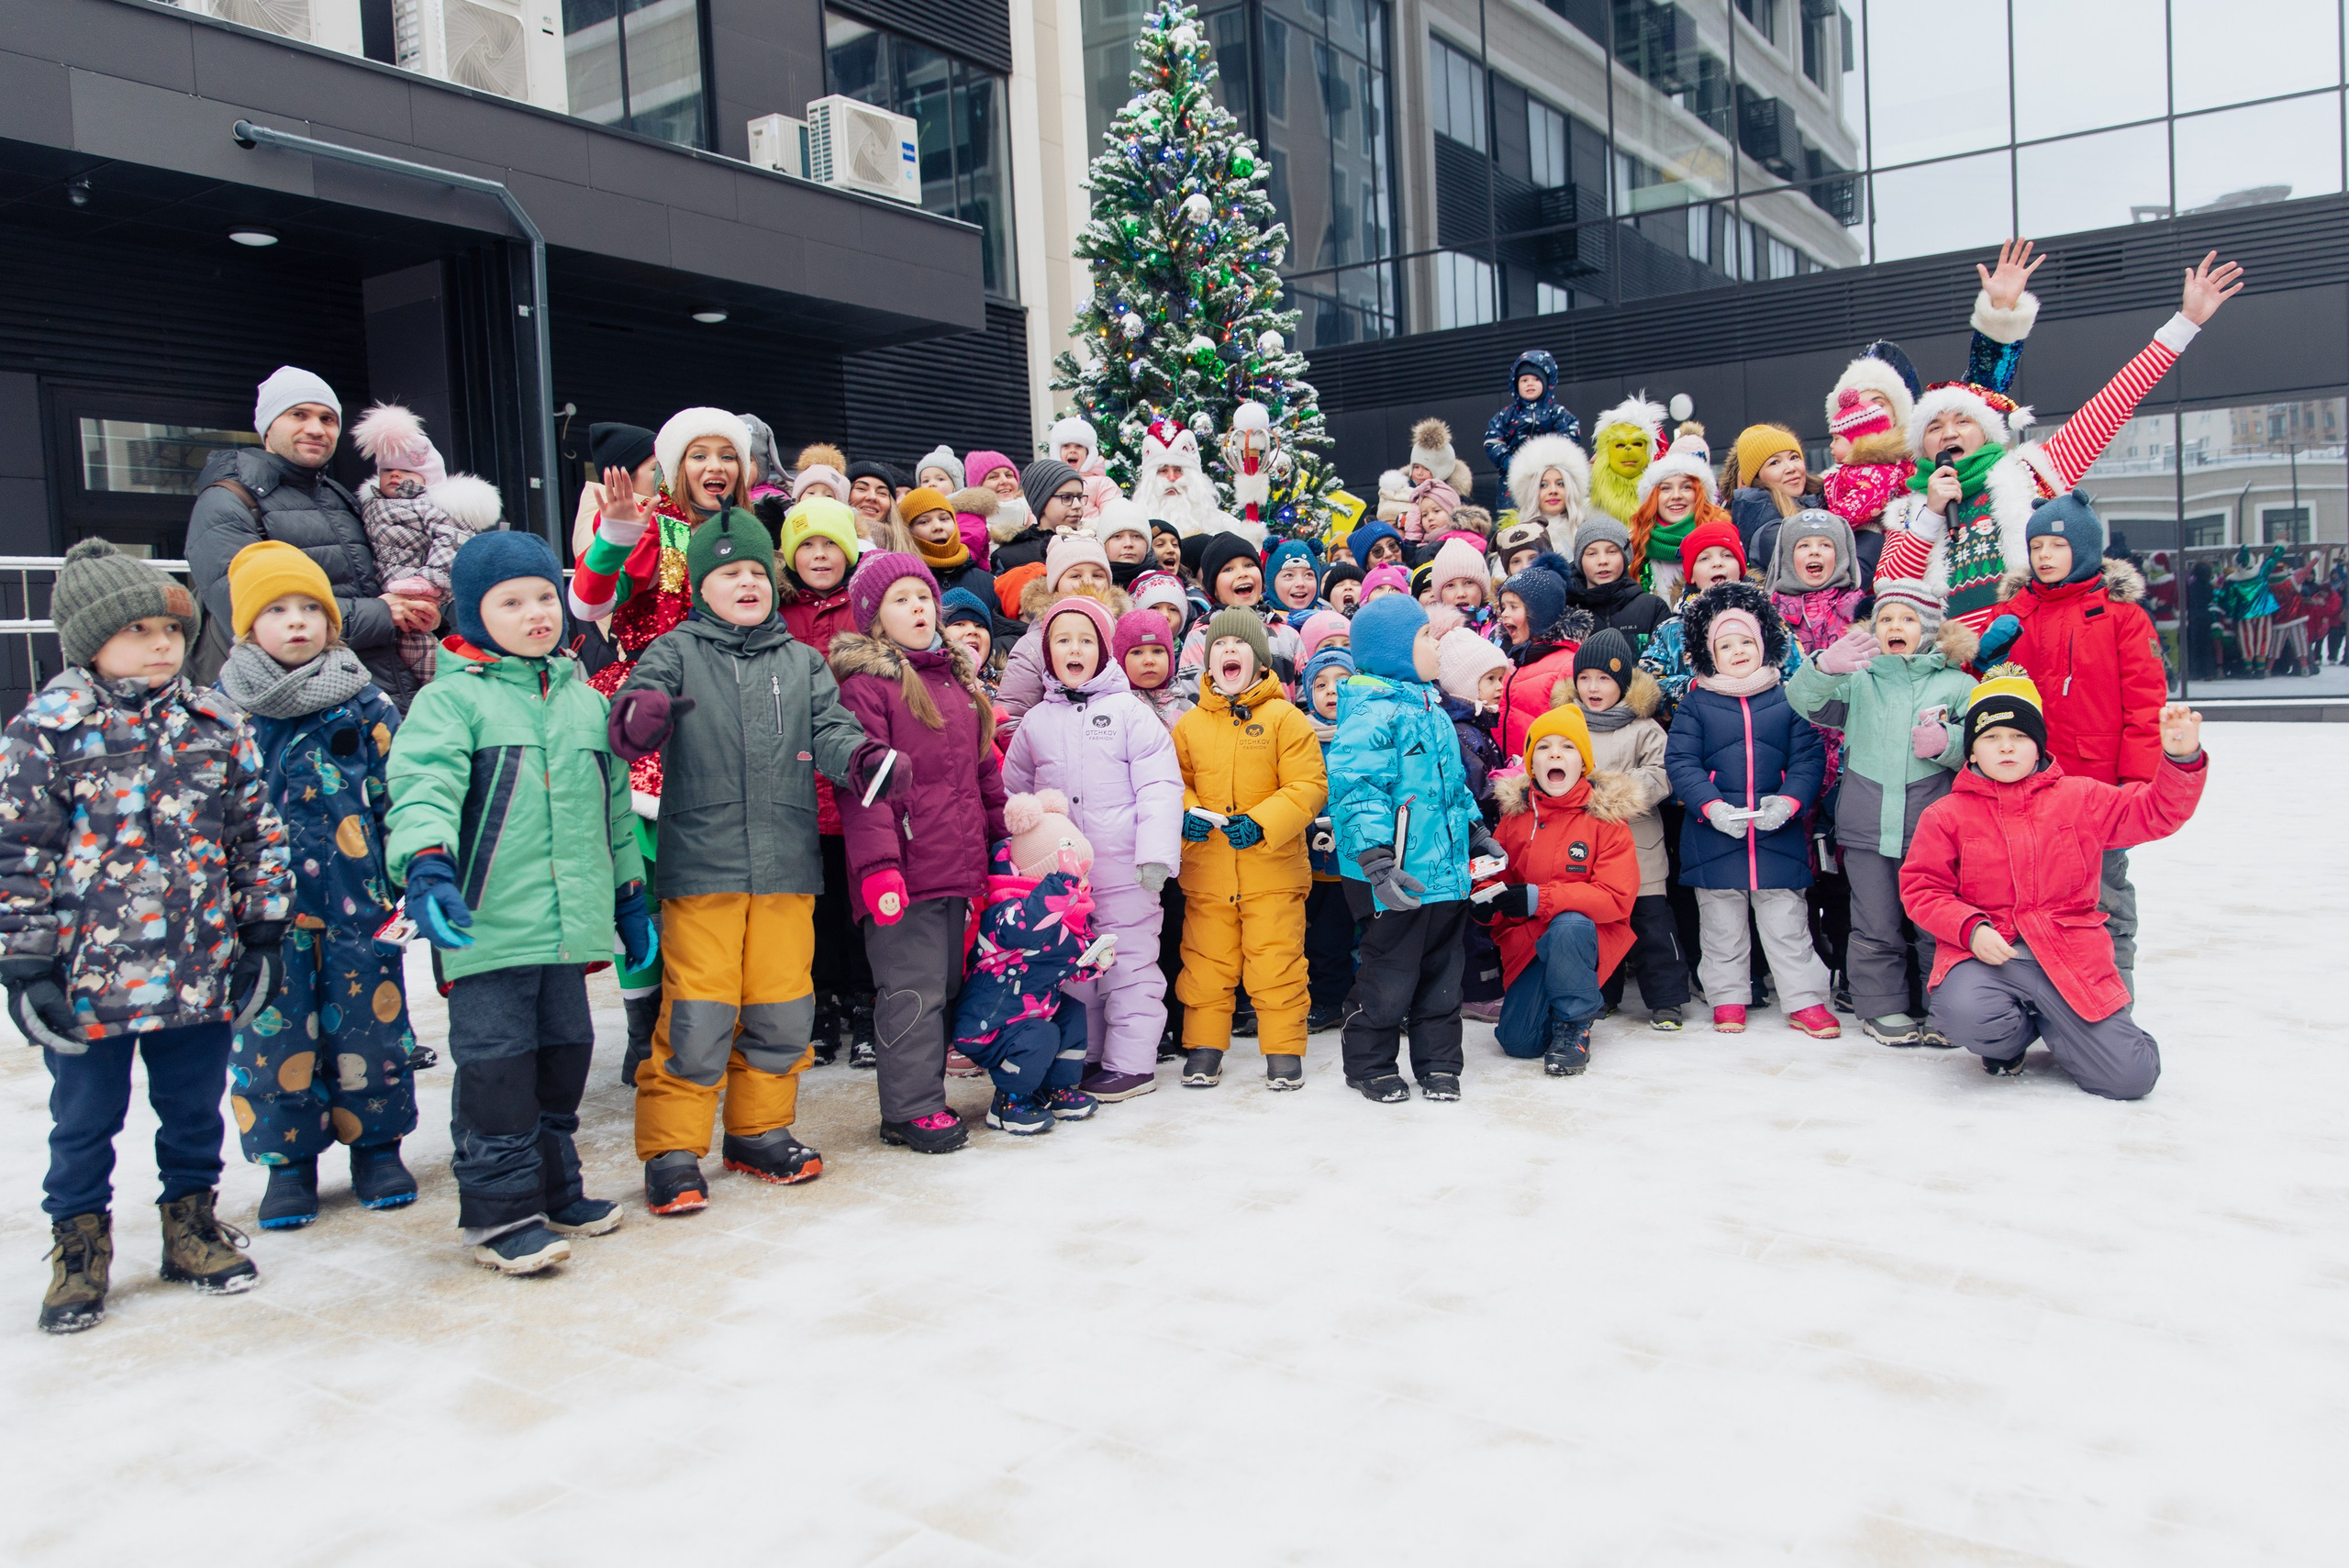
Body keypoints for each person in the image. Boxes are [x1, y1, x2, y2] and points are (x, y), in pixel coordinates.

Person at [6, 540, 294, 1332]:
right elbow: (18, 849)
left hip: (199, 963)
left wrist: (262, 926)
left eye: (169, 628)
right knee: (85, 1117)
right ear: (88, 641)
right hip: (90, 976)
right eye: (136, 630)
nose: (161, 644)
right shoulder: (48, 730)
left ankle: (192, 1225)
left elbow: (254, 830)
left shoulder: (212, 719)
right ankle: (78, 1246)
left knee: (194, 1106)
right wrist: (25, 962)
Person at [605, 507, 886, 1214]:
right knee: (698, 1010)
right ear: (703, 585)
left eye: (757, 571)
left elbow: (831, 727)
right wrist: (639, 716)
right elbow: (636, 702)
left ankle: (759, 1128)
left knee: (783, 1004)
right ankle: (672, 1146)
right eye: (729, 572)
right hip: (704, 862)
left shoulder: (800, 660)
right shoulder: (675, 649)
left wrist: (862, 759)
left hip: (787, 861)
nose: (746, 582)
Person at [385, 530, 642, 1274]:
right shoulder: (450, 702)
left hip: (568, 926)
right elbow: (423, 789)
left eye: (542, 597)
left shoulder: (584, 702)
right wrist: (427, 865)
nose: (535, 613)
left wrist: (629, 895)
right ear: (473, 613)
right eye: (511, 602)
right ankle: (499, 1215)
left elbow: (614, 807)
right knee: (497, 1069)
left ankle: (557, 1187)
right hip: (487, 923)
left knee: (564, 1058)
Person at [216, 542, 417, 1230]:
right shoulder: (227, 710)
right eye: (278, 610)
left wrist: (409, 869)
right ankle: (287, 1161)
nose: (297, 622)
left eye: (311, 609)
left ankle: (379, 1146)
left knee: (373, 1023)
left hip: (357, 898)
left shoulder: (363, 700)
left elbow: (402, 791)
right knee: (272, 1033)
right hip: (265, 912)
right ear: (248, 627)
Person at [1887, 252, 2246, 636]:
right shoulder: (1908, 512)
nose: (1949, 434)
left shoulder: (2030, 475)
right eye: (1935, 426)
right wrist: (1932, 516)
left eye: (1963, 421)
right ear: (1922, 445)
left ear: (1988, 433)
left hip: (2028, 655)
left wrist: (2183, 325)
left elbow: (2108, 409)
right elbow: (1890, 588)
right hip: (1948, 673)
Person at [1900, 674, 2207, 1098]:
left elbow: (2156, 813)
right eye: (1992, 737)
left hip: (2069, 955)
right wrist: (1971, 928)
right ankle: (2012, 1039)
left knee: (2130, 1078)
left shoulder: (2081, 797)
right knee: (1959, 1012)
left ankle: (2072, 1029)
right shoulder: (1945, 815)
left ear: (2039, 746)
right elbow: (1922, 888)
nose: (2006, 746)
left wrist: (2180, 757)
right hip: (1992, 955)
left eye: (2019, 736)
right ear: (1971, 749)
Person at [572, 407, 752, 1082]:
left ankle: (710, 1010)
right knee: (643, 879)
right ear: (677, 466)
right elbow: (589, 602)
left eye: (726, 454)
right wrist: (613, 534)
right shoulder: (651, 527)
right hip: (653, 713)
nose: (715, 468)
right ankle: (642, 1018)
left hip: (730, 711)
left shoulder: (750, 531)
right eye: (699, 454)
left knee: (717, 879)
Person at [827, 551, 1009, 1153]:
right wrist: (879, 869)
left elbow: (982, 769)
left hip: (957, 864)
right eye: (900, 599)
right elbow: (866, 786)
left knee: (945, 985)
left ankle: (924, 1093)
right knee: (911, 988)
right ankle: (909, 1107)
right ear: (875, 616)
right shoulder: (867, 686)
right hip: (903, 870)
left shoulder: (955, 681)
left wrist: (1000, 829)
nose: (917, 608)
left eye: (924, 597)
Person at [1982, 491, 2169, 994]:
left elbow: (2146, 706)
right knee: (2025, 898)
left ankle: (2111, 1000)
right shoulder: (2016, 612)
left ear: (2084, 548)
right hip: (2028, 783)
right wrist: (1980, 660)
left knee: (2104, 898)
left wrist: (2135, 785)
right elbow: (1990, 698)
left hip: (2098, 786)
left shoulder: (2122, 616)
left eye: (2057, 546)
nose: (2044, 556)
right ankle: (2038, 1002)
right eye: (2036, 545)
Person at [1003, 596, 1185, 1100]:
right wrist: (1021, 862)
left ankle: (1132, 1063)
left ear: (1105, 650)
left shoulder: (1130, 712)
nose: (1075, 648)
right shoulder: (1037, 722)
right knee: (1076, 970)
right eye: (1063, 640)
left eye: (1086, 639)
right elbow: (1013, 793)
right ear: (1048, 653)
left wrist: (1155, 856)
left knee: (1127, 966)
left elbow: (1160, 788)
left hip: (1125, 870)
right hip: (1059, 878)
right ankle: (1090, 1055)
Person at [1787, 579, 1978, 1046]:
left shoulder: (1957, 684)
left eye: (1909, 619)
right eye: (1887, 619)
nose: (1896, 627)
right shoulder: (1860, 679)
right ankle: (1882, 1006)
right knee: (1875, 921)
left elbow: (1981, 746)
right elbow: (1804, 702)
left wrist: (1949, 743)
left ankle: (1945, 1005)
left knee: (1934, 921)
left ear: (1929, 631)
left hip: (1932, 828)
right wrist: (1821, 668)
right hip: (1867, 823)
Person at [1326, 595, 1498, 1102]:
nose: (1436, 645)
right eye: (1426, 636)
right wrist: (1376, 860)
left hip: (1445, 872)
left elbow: (1452, 788)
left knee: (1444, 976)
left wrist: (1473, 831)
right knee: (1390, 976)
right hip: (1392, 875)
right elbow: (1356, 790)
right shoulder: (1372, 715)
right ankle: (1369, 1063)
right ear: (1396, 650)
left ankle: (1439, 1064)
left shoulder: (1433, 710)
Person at [185, 365, 429, 706]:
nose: (316, 429)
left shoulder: (340, 497)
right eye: (299, 414)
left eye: (328, 419)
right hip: (300, 714)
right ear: (268, 427)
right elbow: (242, 612)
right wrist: (381, 614)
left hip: (377, 702)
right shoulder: (229, 499)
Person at [1664, 583, 1835, 1037]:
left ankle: (1803, 1000)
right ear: (1709, 653)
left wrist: (1790, 802)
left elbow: (1807, 759)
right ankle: (1728, 997)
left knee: (1787, 924)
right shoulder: (1697, 702)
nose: (1737, 651)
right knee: (1721, 927)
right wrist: (1712, 807)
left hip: (1775, 835)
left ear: (1763, 645)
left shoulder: (1787, 698)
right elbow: (1680, 762)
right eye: (1725, 645)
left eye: (1746, 642)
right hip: (1715, 836)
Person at [1171, 608, 1328, 1089]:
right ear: (1207, 663)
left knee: (1276, 962)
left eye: (1240, 645)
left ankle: (1283, 1050)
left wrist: (1261, 824)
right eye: (1219, 646)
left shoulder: (1285, 718)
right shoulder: (1189, 726)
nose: (1229, 651)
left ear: (1261, 663)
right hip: (1208, 875)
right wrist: (1188, 816)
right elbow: (1174, 783)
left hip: (1273, 874)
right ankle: (1204, 1048)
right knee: (1205, 962)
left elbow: (1308, 785)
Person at [1478, 706, 1641, 1074]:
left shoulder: (1605, 819)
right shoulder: (1516, 816)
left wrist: (1540, 898)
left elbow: (1616, 897)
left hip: (1586, 938)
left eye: (1567, 747)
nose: (1555, 754)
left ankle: (1575, 1024)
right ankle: (1553, 1004)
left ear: (1583, 763)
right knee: (1519, 1043)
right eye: (1544, 747)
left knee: (1569, 923)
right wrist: (1487, 898)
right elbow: (1496, 873)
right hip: (1531, 942)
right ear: (1530, 763)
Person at [774, 497, 873, 1070]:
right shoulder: (777, 614)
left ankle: (864, 1004)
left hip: (855, 778)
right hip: (795, 783)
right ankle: (818, 1004)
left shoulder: (865, 608)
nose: (819, 555)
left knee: (856, 899)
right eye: (806, 545)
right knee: (811, 905)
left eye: (830, 544)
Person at [952, 793, 1117, 1132]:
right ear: (1043, 877)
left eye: (1083, 875)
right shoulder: (1006, 912)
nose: (1082, 884)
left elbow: (1068, 959)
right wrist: (1062, 887)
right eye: (1075, 874)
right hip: (991, 1021)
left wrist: (1093, 959)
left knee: (1071, 1014)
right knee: (1038, 1035)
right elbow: (1025, 928)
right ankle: (1009, 1101)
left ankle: (1055, 1088)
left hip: (1033, 1009)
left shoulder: (1064, 916)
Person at [1571, 629, 1691, 1029]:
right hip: (1588, 847)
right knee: (1600, 925)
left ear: (1622, 682)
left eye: (1604, 678)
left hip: (1639, 844)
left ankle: (1668, 999)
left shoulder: (1644, 727)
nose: (1593, 687)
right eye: (1585, 677)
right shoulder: (1568, 723)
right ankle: (1603, 994)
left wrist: (1607, 792)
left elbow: (1662, 775)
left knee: (1652, 924)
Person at [350, 402, 501, 686]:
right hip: (385, 598)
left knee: (423, 656)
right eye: (388, 470)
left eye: (405, 471)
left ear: (427, 478)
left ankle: (457, 686)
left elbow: (453, 542)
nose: (395, 475)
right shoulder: (368, 505)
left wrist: (428, 582)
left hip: (418, 591)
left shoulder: (431, 505)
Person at [1298, 644, 1359, 1031]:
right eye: (1321, 684)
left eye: (1342, 682)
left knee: (1352, 935)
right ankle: (1327, 998)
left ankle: (1351, 996)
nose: (1332, 691)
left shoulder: (1365, 732)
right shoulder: (1302, 735)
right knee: (1320, 937)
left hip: (1355, 861)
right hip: (1312, 859)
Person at [1492, 552, 1593, 759]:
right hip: (1506, 770)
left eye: (1513, 607)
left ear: (1539, 613)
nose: (1504, 614)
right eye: (1503, 607)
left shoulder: (1566, 664)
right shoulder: (1513, 659)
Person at [1484, 348, 1582, 514]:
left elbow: (1571, 431)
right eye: (1524, 380)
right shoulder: (1507, 414)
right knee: (1513, 520)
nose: (1530, 383)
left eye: (1536, 379)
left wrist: (1554, 456)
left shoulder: (1556, 413)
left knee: (1554, 516)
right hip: (1515, 478)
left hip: (1550, 475)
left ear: (1546, 383)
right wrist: (1509, 461)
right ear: (1516, 385)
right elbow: (1492, 440)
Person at [1627, 423, 1719, 600]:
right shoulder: (1634, 546)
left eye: (1686, 487)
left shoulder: (1721, 540)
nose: (1676, 496)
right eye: (1666, 488)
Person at [1132, 419, 1246, 540]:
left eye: (1178, 470)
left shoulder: (1226, 527)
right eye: (1163, 471)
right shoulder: (1133, 530)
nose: (1171, 478)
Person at [1563, 516, 1671, 643]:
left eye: (1612, 551)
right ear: (1579, 560)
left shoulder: (1652, 608)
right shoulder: (1565, 611)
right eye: (1592, 553)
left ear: (1625, 556)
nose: (1602, 561)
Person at [1585, 396, 1666, 527]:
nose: (1628, 448)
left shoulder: (1664, 498)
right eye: (1620, 445)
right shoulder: (1588, 501)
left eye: (1637, 443)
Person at [1049, 415, 1124, 522]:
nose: (1072, 451)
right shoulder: (1049, 483)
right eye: (1066, 446)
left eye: (1079, 446)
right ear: (1057, 452)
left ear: (1088, 454)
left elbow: (1115, 517)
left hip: (1092, 536)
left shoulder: (1102, 483)